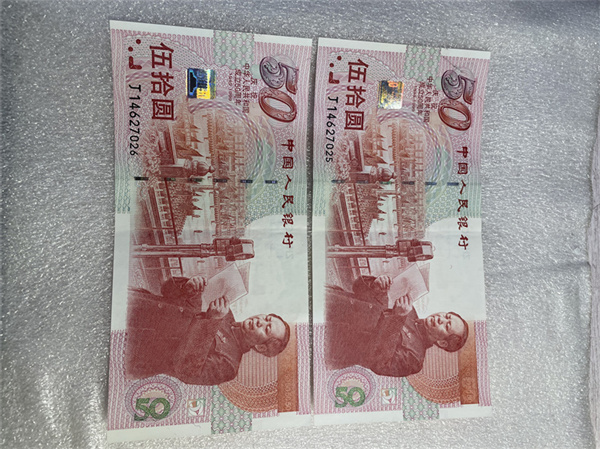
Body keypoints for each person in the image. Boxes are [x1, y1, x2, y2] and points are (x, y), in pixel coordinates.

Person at [125, 276, 290, 385]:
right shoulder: (226, 313)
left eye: (266, 328)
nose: (260, 321)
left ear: (260, 347)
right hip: (137, 304)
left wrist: (211, 320)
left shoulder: (229, 365)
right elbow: (167, 290)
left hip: (133, 346)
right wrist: (189, 288)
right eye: (266, 318)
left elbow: (185, 370)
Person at [325, 275, 468, 377]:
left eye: (447, 326)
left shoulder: (414, 359)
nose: (440, 319)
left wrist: (397, 318)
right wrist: (377, 287)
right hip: (332, 301)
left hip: (330, 339)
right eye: (446, 316)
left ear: (442, 342)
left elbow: (376, 362)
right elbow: (359, 290)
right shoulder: (410, 311)